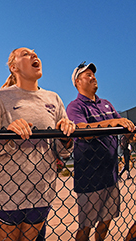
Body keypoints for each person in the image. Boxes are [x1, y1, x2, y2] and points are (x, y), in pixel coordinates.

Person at [0, 48, 75, 241]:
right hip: (7, 193)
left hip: (42, 191)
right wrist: (6, 136)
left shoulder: (53, 98)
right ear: (13, 67)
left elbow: (63, 153)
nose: (34, 55)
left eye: (35, 53)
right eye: (25, 54)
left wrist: (66, 137)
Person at [66, 61, 135, 241]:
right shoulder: (75, 106)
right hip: (90, 178)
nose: (93, 77)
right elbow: (82, 131)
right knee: (85, 226)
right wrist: (111, 123)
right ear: (77, 82)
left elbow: (121, 125)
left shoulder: (106, 104)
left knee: (106, 221)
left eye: (93, 74)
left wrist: (129, 133)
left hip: (110, 176)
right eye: (87, 75)